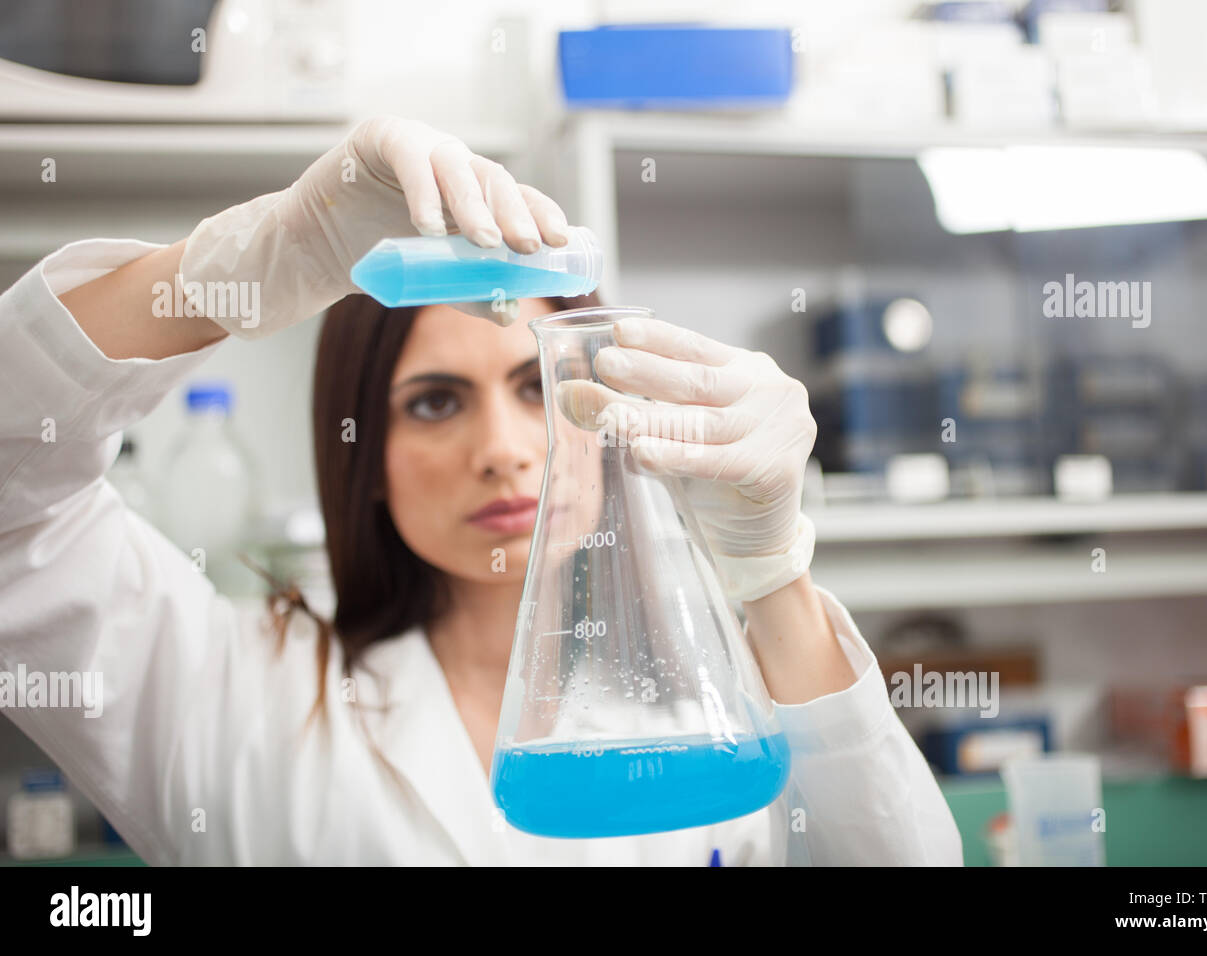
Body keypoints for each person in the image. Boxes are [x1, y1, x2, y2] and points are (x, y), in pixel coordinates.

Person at [0, 116, 961, 865]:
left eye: (534, 388)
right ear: (362, 453)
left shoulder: (722, 708)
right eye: (433, 404)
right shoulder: (227, 692)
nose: (502, 451)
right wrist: (229, 273)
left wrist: (769, 574)